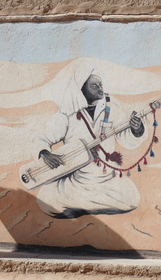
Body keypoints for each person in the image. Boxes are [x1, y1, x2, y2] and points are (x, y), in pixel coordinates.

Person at [31, 68, 152, 219]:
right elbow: (41, 137)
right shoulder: (68, 112)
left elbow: (126, 139)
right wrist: (44, 153)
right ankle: (89, 205)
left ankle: (81, 207)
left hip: (107, 178)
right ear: (80, 88)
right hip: (77, 179)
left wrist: (137, 129)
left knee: (132, 199)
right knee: (45, 200)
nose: (101, 89)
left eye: (101, 84)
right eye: (95, 86)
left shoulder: (111, 107)